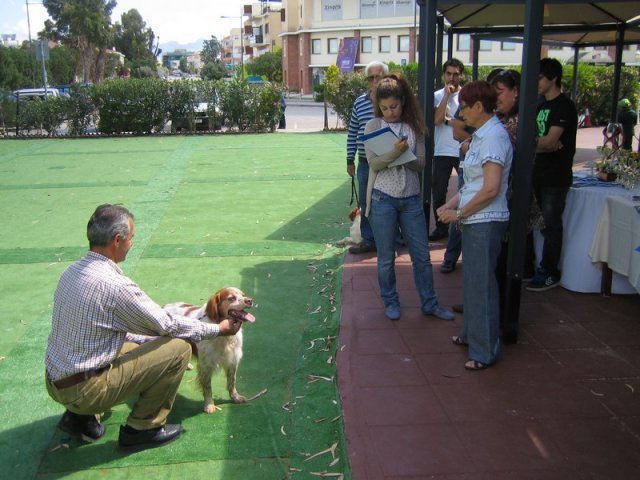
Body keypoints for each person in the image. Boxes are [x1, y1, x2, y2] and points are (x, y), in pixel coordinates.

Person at [45, 204, 242, 450]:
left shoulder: (71, 272)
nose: (132, 243)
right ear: (117, 240)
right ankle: (143, 427)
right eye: (131, 238)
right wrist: (218, 329)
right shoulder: (115, 286)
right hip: (85, 391)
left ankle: (78, 418)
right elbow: (166, 324)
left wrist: (145, 342)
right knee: (179, 348)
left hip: (55, 383)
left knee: (131, 343)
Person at [363, 74, 454, 322]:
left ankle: (430, 302)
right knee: (385, 258)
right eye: (384, 108)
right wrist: (396, 150)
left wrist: (405, 155)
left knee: (422, 256)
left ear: (403, 101)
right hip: (383, 198)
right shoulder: (373, 126)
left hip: (411, 198)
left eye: (394, 106)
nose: (390, 112)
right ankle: (391, 302)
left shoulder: (415, 127)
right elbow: (375, 164)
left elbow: (422, 164)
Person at [437, 81, 513, 370]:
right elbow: (473, 184)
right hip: (475, 218)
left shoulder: (492, 137)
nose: (461, 113)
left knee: (481, 287)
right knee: (473, 282)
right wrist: (452, 204)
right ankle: (472, 336)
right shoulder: (483, 135)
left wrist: (459, 213)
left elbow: (490, 189)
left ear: (479, 107)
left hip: (485, 220)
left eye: (464, 107)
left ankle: (484, 351)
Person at [526, 58, 577, 292]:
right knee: (530, 222)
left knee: (550, 225)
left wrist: (539, 143)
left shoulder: (564, 106)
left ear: (553, 78)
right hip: (536, 173)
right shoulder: (539, 105)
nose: (536, 82)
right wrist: (542, 144)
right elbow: (541, 141)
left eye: (539, 78)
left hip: (555, 177)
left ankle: (549, 272)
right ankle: (527, 267)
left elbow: (549, 141)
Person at [346, 60, 389, 254]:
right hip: (365, 162)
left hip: (389, 162)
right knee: (365, 202)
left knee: (389, 201)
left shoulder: (392, 101)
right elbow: (353, 131)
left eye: (377, 76)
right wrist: (349, 159)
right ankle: (368, 239)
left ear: (385, 77)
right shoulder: (359, 102)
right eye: (370, 78)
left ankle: (391, 238)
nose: (374, 81)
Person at [430, 58, 465, 242]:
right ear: (444, 75)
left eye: (455, 74)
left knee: (464, 190)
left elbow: (466, 124)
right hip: (441, 151)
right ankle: (441, 227)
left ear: (461, 75)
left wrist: (448, 120)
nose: (452, 78)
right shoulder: (437, 95)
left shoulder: (467, 96)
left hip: (462, 150)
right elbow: (436, 120)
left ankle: (460, 227)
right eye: (448, 74)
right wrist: (446, 96)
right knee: (438, 192)